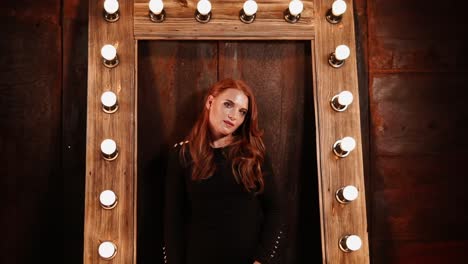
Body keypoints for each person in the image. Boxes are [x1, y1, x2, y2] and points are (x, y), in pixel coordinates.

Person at [163, 78, 286, 264]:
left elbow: (275, 210)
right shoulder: (182, 154)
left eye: (242, 112)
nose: (234, 116)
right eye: (228, 105)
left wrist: (262, 259)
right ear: (210, 102)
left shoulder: (253, 154)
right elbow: (173, 222)